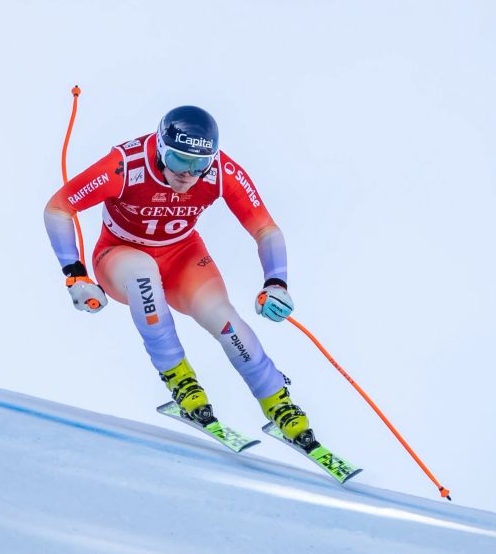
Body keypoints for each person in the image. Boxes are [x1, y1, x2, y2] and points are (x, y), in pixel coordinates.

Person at [44, 105, 314, 446]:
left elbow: (266, 229)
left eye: (199, 164)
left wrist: (276, 282)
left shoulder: (221, 172)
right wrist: (75, 275)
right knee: (144, 277)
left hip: (182, 256)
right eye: (178, 160)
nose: (188, 174)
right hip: (121, 255)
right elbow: (58, 207)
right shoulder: (124, 165)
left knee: (223, 318)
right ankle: (182, 383)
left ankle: (280, 404)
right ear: (159, 148)